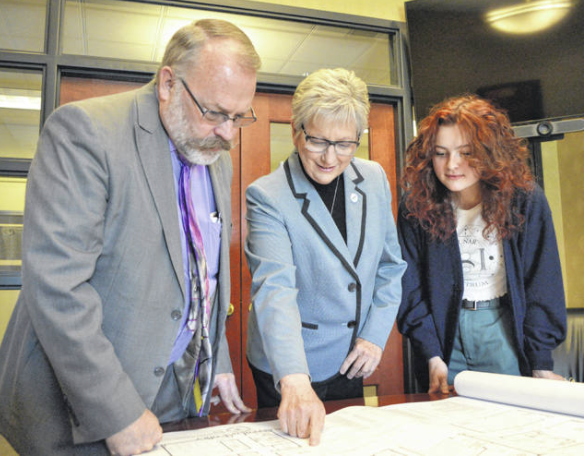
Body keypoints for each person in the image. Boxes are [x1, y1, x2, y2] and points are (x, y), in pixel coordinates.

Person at [0, 19, 260, 455]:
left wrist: (215, 359)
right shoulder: (86, 132)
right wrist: (116, 410)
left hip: (175, 391)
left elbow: (203, 275)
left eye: (239, 116)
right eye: (214, 112)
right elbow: (58, 288)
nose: (228, 133)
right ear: (167, 84)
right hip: (81, 404)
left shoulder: (216, 157)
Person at [244, 68, 406, 445]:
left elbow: (390, 265)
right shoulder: (267, 196)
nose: (331, 158)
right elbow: (275, 288)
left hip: (352, 357)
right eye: (318, 141)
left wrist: (374, 336)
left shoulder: (374, 178)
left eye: (345, 144)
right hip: (290, 363)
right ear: (296, 130)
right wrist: (294, 380)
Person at [397, 95, 567, 395]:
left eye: (466, 153)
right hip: (443, 334)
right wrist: (432, 355)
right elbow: (410, 289)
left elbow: (543, 283)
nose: (452, 165)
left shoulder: (524, 200)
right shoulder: (416, 206)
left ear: (489, 153)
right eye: (440, 153)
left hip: (502, 326)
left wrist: (540, 362)